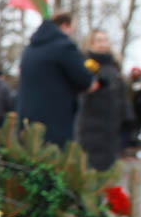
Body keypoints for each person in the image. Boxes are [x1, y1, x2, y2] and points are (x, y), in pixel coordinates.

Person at [16, 12, 97, 147]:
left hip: (27, 120)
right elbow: (84, 81)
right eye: (72, 28)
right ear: (65, 25)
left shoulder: (29, 48)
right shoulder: (64, 46)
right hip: (55, 121)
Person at [77, 30, 133, 170]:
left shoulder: (114, 68)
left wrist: (127, 119)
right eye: (98, 40)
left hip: (112, 127)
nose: (102, 44)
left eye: (104, 40)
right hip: (91, 127)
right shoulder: (86, 65)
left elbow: (122, 96)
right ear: (90, 43)